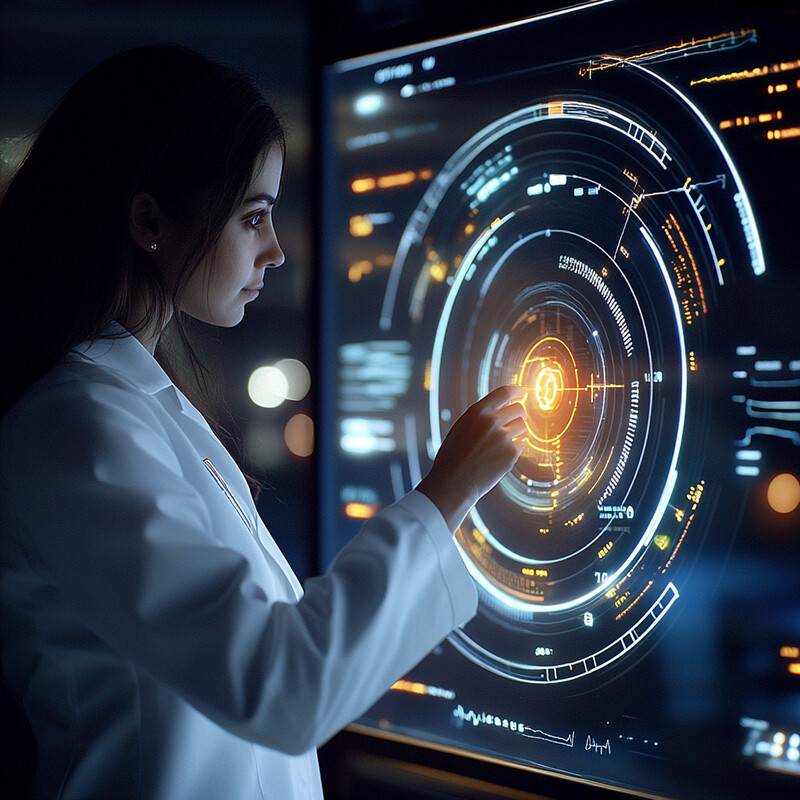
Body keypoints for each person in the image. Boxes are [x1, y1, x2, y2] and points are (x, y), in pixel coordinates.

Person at [0, 45, 527, 799]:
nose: (276, 251)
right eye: (253, 217)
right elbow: (281, 684)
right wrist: (444, 497)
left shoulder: (132, 411)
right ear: (149, 220)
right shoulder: (74, 431)